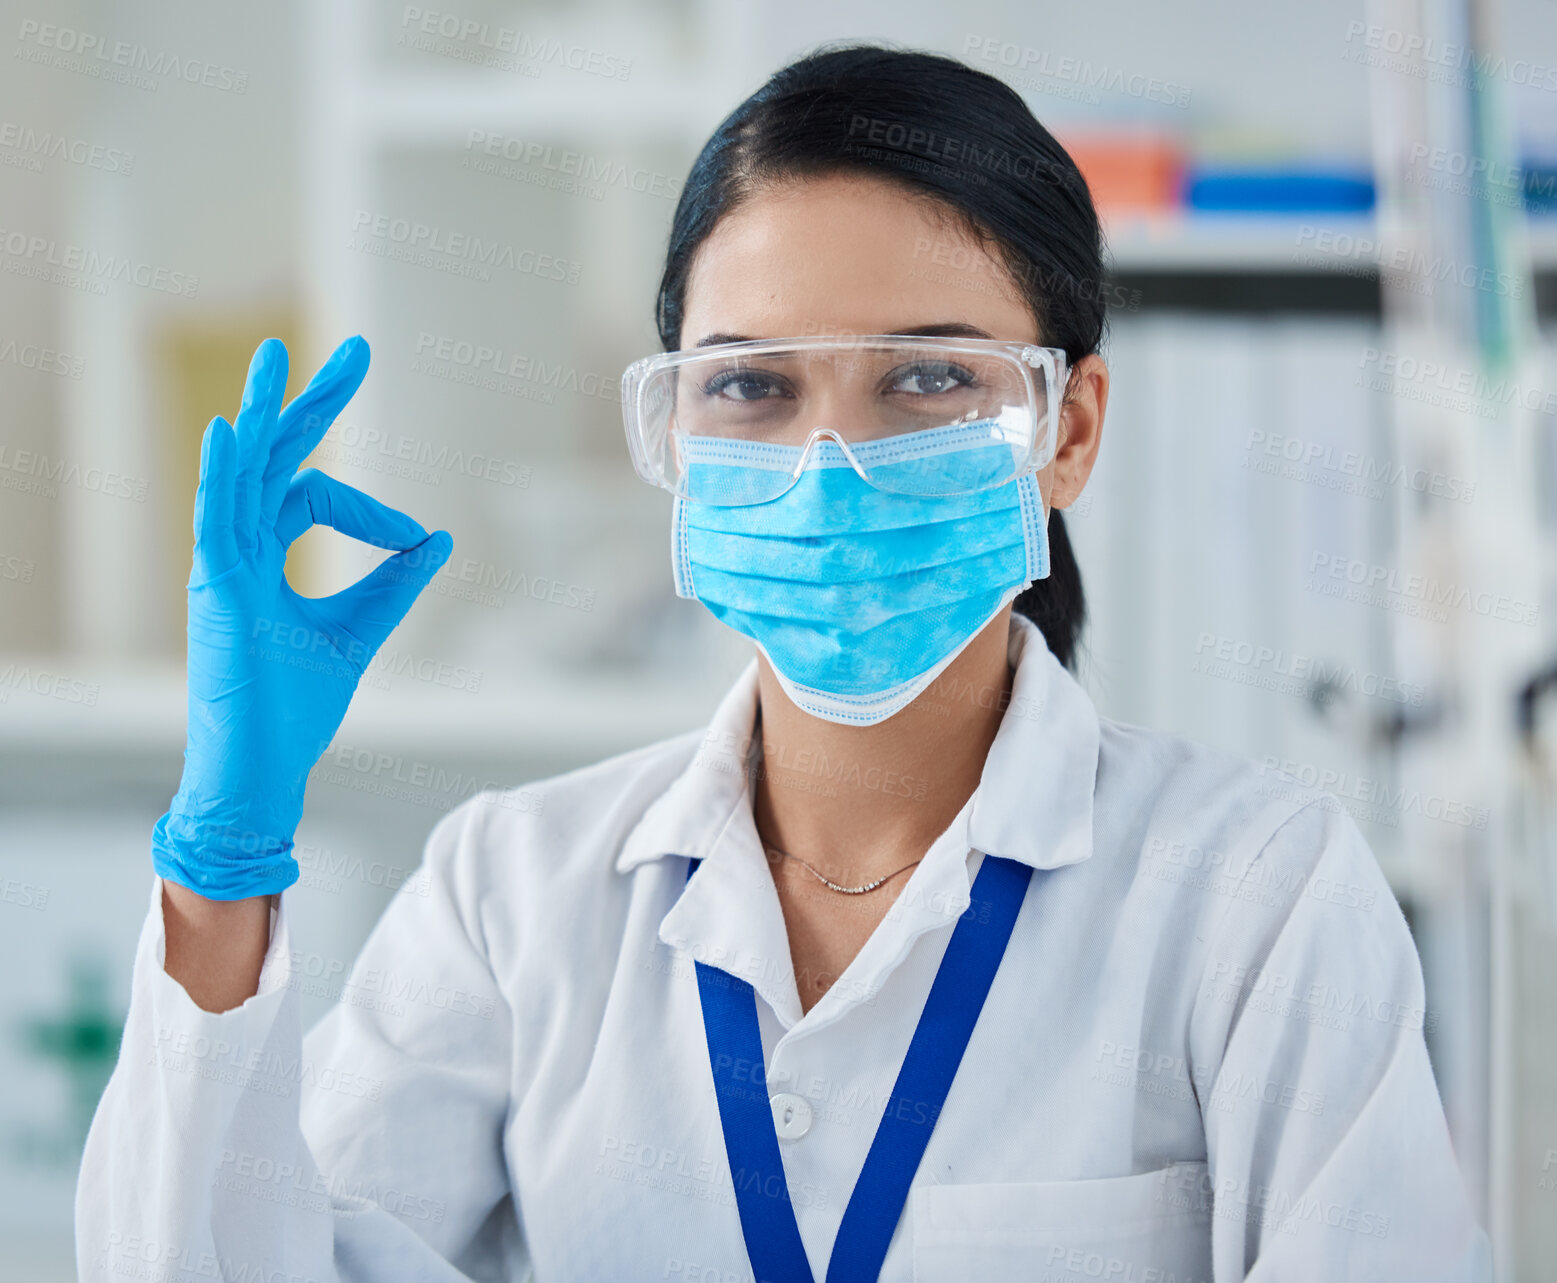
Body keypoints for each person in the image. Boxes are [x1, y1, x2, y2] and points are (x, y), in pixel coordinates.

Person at [76, 44, 1489, 1283]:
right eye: (749, 385)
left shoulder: (1252, 895)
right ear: (674, 433)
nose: (827, 466)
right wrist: (223, 859)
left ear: (1064, 430)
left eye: (927, 378)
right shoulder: (512, 895)